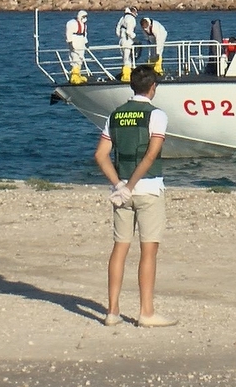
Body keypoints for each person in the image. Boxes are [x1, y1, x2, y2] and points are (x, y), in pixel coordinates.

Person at [93, 65, 177, 328]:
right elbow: (151, 155)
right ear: (153, 88)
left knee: (120, 248)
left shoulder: (115, 115)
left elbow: (100, 155)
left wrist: (120, 185)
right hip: (149, 188)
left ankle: (112, 311)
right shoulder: (156, 115)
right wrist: (131, 184)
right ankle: (146, 312)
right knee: (148, 251)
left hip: (121, 193)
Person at [65, 10, 89, 84]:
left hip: (81, 41)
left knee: (80, 58)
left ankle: (78, 74)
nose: (85, 18)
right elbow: (68, 33)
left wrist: (86, 42)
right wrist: (70, 42)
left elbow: (84, 34)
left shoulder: (84, 25)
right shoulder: (72, 23)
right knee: (75, 57)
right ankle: (74, 76)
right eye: (84, 16)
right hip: (74, 39)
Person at [116, 7, 138, 82]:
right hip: (128, 41)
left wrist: (121, 36)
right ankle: (127, 76)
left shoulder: (122, 18)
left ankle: (127, 73)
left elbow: (117, 31)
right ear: (133, 12)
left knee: (125, 59)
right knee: (128, 58)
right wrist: (135, 38)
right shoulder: (131, 19)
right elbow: (129, 31)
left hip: (121, 41)